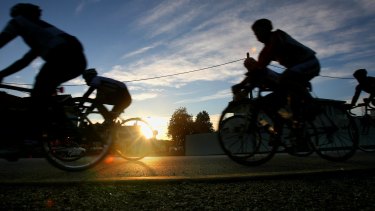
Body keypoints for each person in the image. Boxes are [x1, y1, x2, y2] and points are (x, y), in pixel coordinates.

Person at [249, 19, 320, 119]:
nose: (257, 37)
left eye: (257, 32)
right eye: (255, 34)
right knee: (290, 100)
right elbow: (259, 68)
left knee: (284, 79)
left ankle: (312, 104)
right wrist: (244, 83)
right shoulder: (265, 49)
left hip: (310, 62)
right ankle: (298, 121)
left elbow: (261, 66)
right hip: (297, 69)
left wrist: (244, 85)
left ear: (266, 29)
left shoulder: (277, 36)